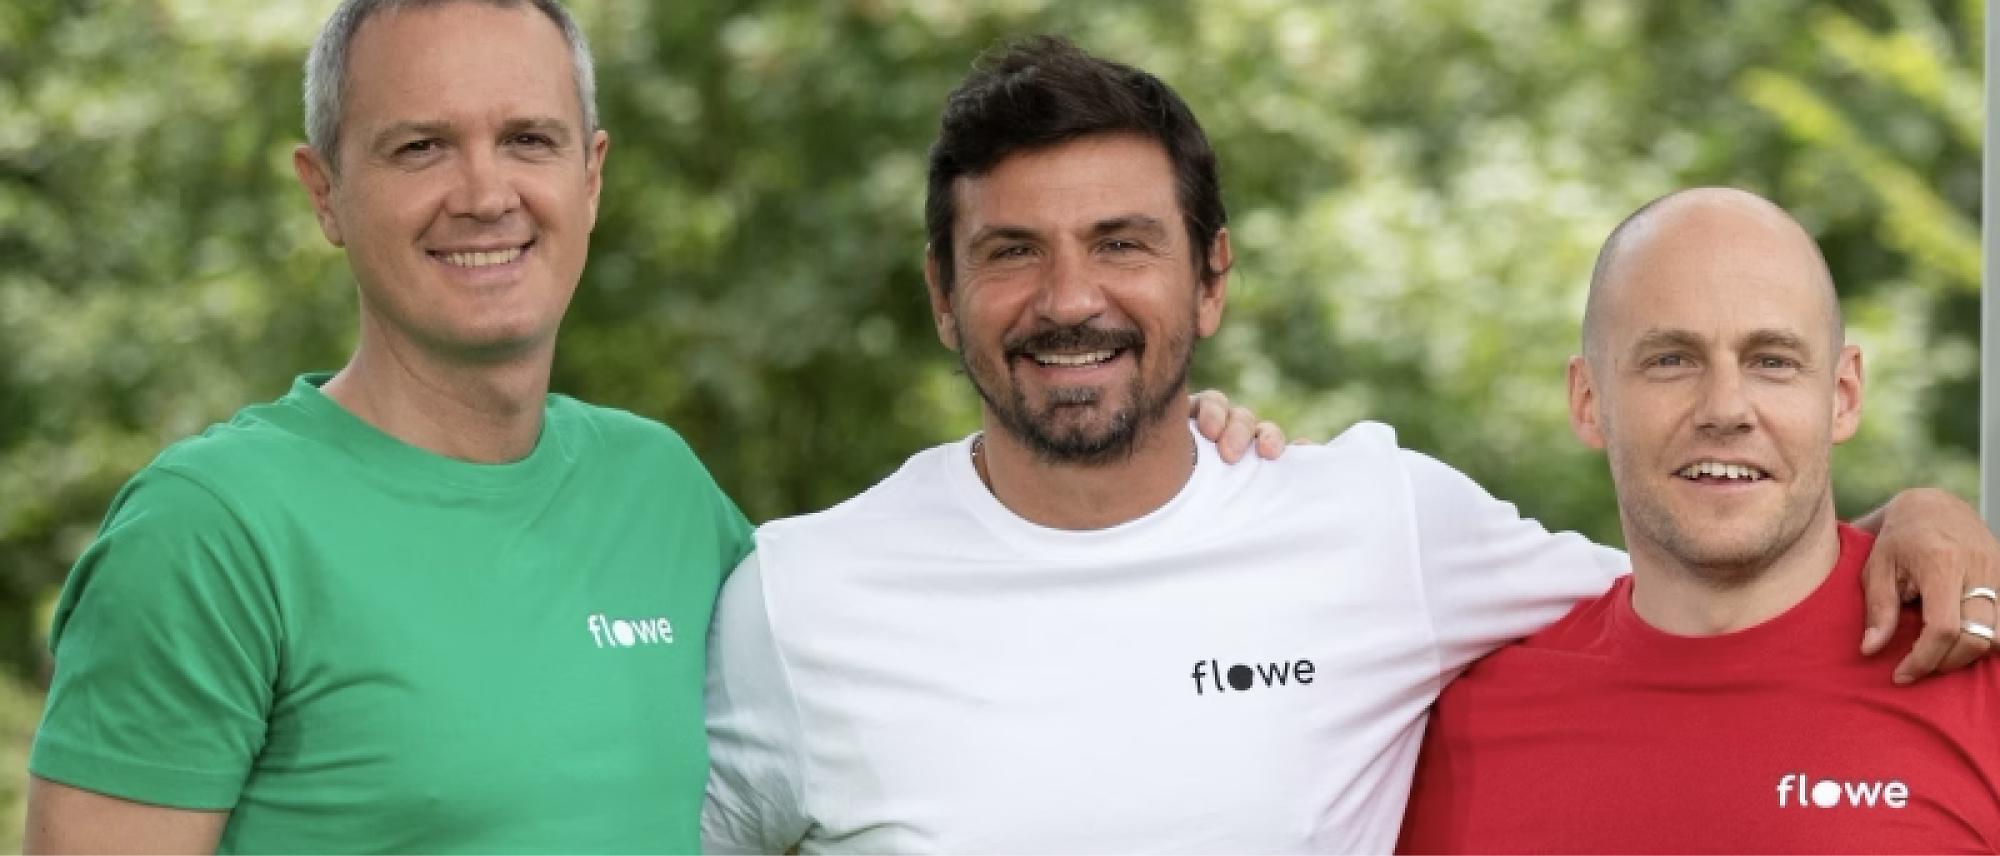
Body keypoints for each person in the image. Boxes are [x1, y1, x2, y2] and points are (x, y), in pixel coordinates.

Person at [18, 4, 1280, 853]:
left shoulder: (661, 489)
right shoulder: (213, 529)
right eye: (418, 146)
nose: (483, 192)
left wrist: (1176, 457)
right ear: (324, 192)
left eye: (527, 139)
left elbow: (917, 666)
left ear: (592, 173)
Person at [699, 37, 2000, 854]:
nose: (1071, 299)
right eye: (1011, 253)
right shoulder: (802, 598)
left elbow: (1707, 556)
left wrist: (1919, 519)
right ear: (940, 290)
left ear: (1210, 283)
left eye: (1122, 244)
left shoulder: (1380, 528)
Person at [1396, 188, 1999, 853]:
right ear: (1589, 400)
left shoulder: (1976, 671)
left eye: (1772, 361)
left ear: (1843, 395)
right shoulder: (1459, 728)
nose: (1725, 407)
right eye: (1671, 361)